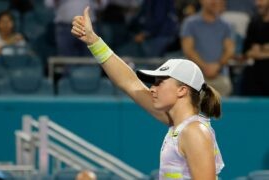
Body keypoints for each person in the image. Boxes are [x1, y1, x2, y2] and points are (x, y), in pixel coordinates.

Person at [71, 7, 224, 179]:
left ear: (182, 90)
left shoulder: (194, 132)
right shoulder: (179, 125)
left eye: (160, 83)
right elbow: (129, 83)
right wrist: (93, 41)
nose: (152, 88)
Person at [181, 0, 235, 97]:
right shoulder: (190, 23)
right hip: (195, 77)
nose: (215, 2)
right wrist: (205, 67)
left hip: (220, 76)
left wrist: (217, 66)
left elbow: (229, 50)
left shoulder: (226, 25)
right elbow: (188, 49)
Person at [241, 0, 269, 96]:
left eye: (262, 0)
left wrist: (258, 49)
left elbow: (254, 50)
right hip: (255, 74)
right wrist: (264, 49)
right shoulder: (254, 22)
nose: (258, 3)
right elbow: (247, 52)